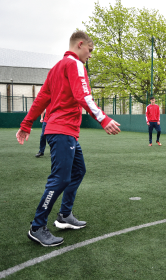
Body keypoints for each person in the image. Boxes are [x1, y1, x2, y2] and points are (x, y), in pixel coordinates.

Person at [16, 30, 121, 247]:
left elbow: (42, 98)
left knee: (78, 171)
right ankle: (37, 227)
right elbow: (83, 95)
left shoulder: (56, 68)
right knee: (60, 179)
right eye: (89, 50)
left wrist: (26, 124)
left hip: (62, 131)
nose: (90, 55)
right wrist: (103, 119)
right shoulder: (74, 64)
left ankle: (64, 216)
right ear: (80, 44)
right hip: (62, 130)